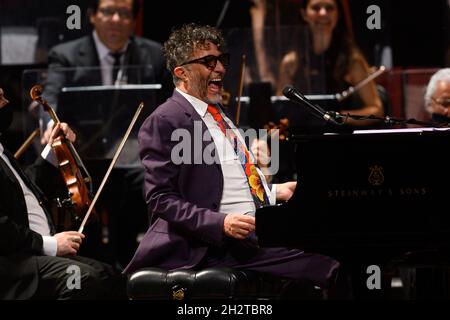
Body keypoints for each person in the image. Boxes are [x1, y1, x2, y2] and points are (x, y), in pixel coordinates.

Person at [124, 23, 340, 293]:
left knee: (339, 246)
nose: (221, 69)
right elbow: (160, 198)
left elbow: (230, 184)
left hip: (253, 234)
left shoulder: (220, 115)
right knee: (329, 264)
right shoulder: (166, 120)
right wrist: (220, 222)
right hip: (211, 245)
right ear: (182, 73)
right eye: (208, 62)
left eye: (221, 60)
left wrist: (274, 192)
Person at [37, 0, 173, 268]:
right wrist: (51, 125)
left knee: (154, 178)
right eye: (108, 11)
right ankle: (94, 266)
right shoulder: (65, 54)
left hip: (134, 155)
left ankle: (144, 261)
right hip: (85, 153)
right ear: (93, 16)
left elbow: (170, 102)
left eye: (124, 14)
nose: (115, 19)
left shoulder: (154, 54)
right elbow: (48, 99)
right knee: (78, 195)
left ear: (134, 20)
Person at [0, 88, 126, 299]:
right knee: (82, 279)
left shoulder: (1, 149)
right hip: (14, 264)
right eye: (0, 98)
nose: (7, 101)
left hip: (33, 255)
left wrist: (54, 150)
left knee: (111, 276)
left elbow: (24, 192)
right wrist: (50, 245)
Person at [251, 0, 383, 126]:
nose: (323, 13)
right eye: (316, 8)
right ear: (304, 14)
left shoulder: (352, 61)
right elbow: (281, 107)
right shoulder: (290, 62)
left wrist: (340, 117)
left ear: (338, 15)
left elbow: (376, 109)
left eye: (329, 8)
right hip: (303, 138)